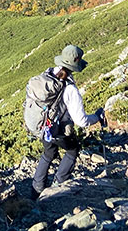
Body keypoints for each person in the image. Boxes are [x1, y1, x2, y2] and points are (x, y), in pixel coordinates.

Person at [30, 44, 105, 198]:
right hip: (57, 129)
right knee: (73, 150)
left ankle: (36, 189)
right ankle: (58, 187)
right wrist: (97, 117)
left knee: (48, 152)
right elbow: (81, 121)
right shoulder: (70, 89)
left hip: (42, 127)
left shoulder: (48, 74)